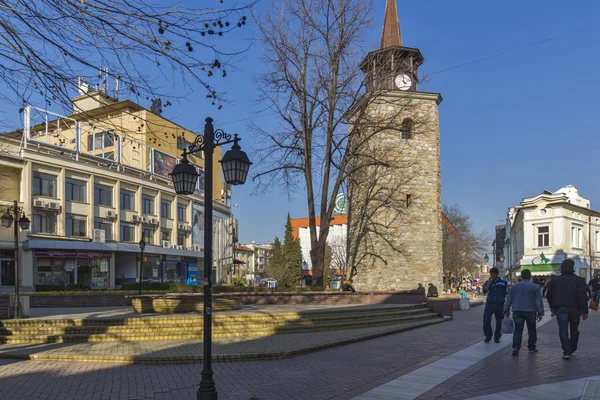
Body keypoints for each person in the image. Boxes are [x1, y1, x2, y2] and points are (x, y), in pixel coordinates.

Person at [546, 259, 589, 360]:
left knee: (563, 330)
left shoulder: (555, 280)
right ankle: (572, 347)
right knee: (574, 330)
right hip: (575, 309)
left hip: (561, 309)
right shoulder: (579, 280)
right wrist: (584, 311)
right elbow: (582, 296)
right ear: (573, 267)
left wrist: (552, 306)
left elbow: (549, 295)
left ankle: (566, 351)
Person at [503, 269, 544, 356]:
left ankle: (516, 347)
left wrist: (506, 310)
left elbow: (508, 300)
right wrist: (540, 312)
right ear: (530, 276)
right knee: (531, 330)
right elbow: (538, 301)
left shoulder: (514, 287)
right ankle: (531, 347)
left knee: (518, 330)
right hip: (530, 311)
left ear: (521, 276)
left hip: (517, 311)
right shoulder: (535, 287)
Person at [482, 267, 508, 343]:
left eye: (493, 274)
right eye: (491, 274)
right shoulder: (488, 281)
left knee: (499, 321)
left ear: (497, 274)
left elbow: (506, 293)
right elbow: (485, 291)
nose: (492, 275)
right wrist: (489, 282)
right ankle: (488, 336)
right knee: (486, 319)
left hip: (499, 304)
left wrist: (507, 304)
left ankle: (497, 336)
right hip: (489, 304)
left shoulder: (503, 282)